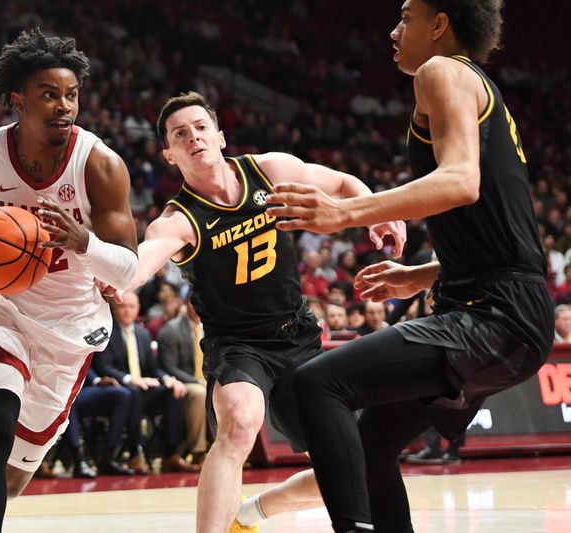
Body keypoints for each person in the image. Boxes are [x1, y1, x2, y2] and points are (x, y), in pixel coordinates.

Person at [264, 2, 554, 531]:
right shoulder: (479, 87)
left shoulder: (441, 71)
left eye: (406, 17)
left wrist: (343, 212)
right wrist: (428, 273)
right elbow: (502, 221)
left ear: (440, 24)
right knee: (372, 448)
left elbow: (461, 181)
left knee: (317, 385)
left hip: (492, 314)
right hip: (505, 304)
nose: (393, 31)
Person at [103, 91, 405, 533]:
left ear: (221, 136)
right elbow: (144, 262)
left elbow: (342, 185)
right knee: (240, 425)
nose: (194, 138)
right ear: (169, 153)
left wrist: (373, 212)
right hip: (238, 345)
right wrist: (114, 274)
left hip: (299, 335)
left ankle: (252, 513)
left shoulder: (270, 170)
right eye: (180, 134)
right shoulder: (179, 218)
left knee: (351, 463)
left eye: (201, 128)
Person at [0, 28, 138, 533]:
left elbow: (129, 269)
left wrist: (84, 244)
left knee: (10, 479)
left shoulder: (100, 165)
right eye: (49, 95)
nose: (64, 106)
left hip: (70, 326)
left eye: (71, 95)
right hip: (1, 307)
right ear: (17, 101)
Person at [94, 291, 197, 474]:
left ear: (138, 309)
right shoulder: (105, 332)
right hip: (122, 389)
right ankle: (135, 454)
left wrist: (168, 379)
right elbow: (104, 367)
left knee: (174, 392)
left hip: (143, 389)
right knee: (133, 392)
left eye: (131, 307)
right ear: (114, 308)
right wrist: (131, 379)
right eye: (123, 306)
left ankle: (170, 454)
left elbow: (153, 368)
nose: (127, 311)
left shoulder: (143, 333)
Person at [157, 295, 208, 465]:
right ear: (186, 305)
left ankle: (229, 450)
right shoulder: (171, 330)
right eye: (194, 303)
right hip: (183, 382)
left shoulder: (212, 328)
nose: (198, 307)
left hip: (208, 380)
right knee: (200, 393)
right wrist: (196, 381)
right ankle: (198, 452)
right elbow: (169, 367)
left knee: (230, 390)